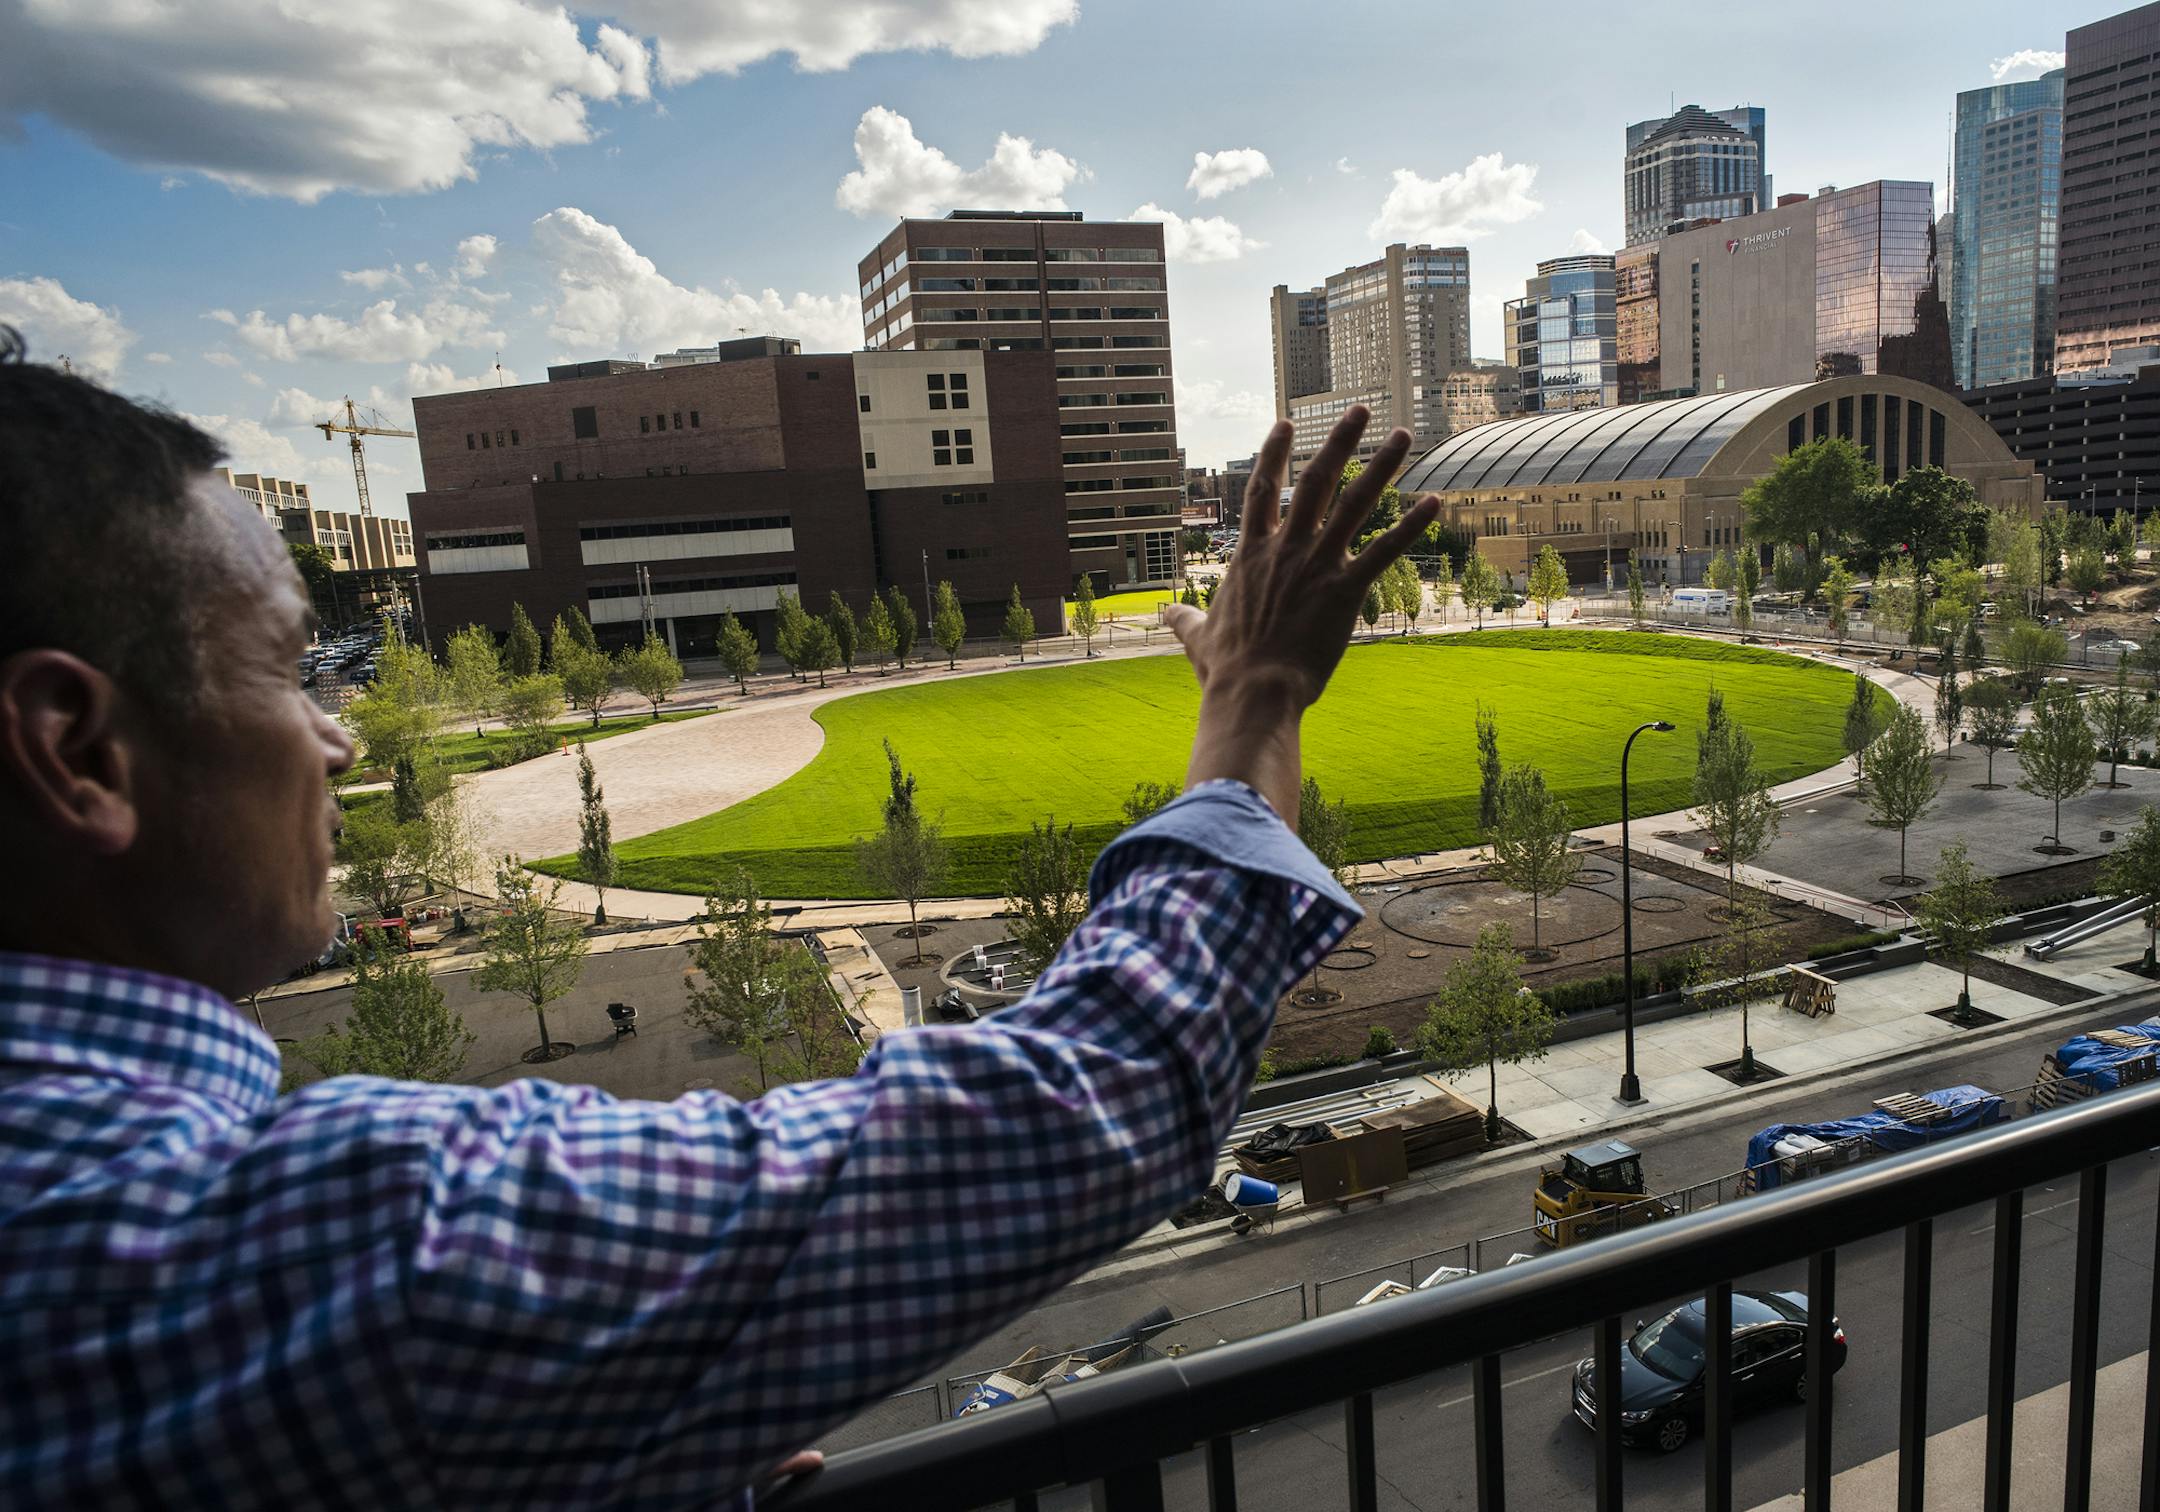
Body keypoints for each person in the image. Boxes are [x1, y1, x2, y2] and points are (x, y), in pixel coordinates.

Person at [0, 330, 1438, 1509]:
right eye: (290, 673)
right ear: (76, 749)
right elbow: (1079, 1109)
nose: (336, 740)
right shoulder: (336, 1243)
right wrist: (1253, 703)